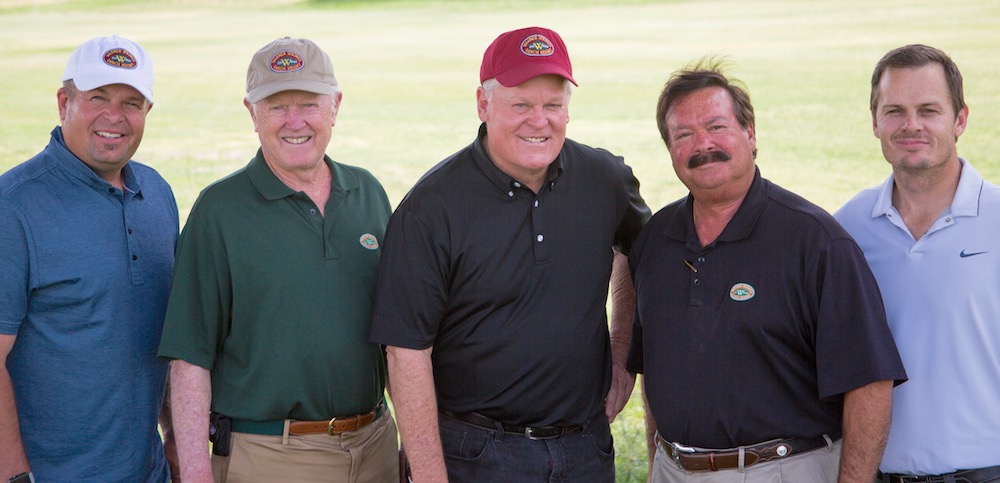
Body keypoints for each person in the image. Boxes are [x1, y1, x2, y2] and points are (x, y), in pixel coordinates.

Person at [369, 26, 650, 483]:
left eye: (553, 105)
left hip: (586, 448)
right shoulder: (431, 207)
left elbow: (641, 255)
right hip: (475, 454)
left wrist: (621, 349)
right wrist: (429, 474)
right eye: (521, 104)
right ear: (483, 104)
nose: (539, 121)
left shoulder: (605, 179)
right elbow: (405, 352)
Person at [626, 60, 908, 483]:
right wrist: (656, 463)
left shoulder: (816, 242)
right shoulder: (655, 240)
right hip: (672, 469)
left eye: (717, 126)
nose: (703, 144)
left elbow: (870, 385)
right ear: (670, 149)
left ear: (750, 132)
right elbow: (655, 368)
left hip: (781, 469)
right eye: (684, 134)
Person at [156, 37, 398, 482]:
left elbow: (400, 336)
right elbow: (189, 360)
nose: (295, 122)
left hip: (375, 445)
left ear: (336, 106)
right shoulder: (219, 211)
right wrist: (194, 472)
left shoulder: (368, 194)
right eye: (276, 106)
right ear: (251, 112)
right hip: (269, 456)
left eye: (308, 103)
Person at [0, 35, 178, 482]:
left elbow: (167, 337)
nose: (114, 117)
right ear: (64, 102)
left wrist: (177, 446)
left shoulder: (157, 194)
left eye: (131, 102)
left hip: (148, 471)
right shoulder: (15, 207)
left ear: (147, 112)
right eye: (98, 98)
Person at [834, 44, 1000, 483]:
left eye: (928, 110)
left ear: (960, 119)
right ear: (874, 122)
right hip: (879, 474)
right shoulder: (848, 226)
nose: (911, 126)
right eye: (894, 111)